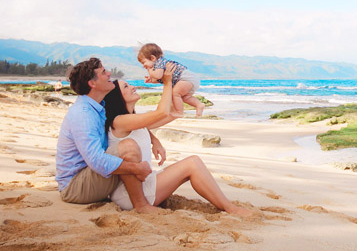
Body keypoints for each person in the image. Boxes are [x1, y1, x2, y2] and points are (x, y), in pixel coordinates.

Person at [103, 76, 254, 217]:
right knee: (192, 163)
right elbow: (161, 113)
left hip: (144, 183)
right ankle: (230, 208)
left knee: (193, 163)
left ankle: (226, 206)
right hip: (130, 195)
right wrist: (168, 82)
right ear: (117, 97)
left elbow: (174, 113)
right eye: (126, 87)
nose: (133, 87)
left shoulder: (134, 121)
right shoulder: (119, 121)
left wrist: (154, 139)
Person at [56, 57, 173, 214]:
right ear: (92, 83)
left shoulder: (99, 105)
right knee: (128, 147)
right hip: (75, 187)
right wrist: (136, 168)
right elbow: (96, 160)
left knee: (126, 148)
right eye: (104, 72)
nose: (109, 73)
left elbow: (131, 121)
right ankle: (142, 206)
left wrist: (154, 139)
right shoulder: (82, 114)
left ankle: (140, 200)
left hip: (91, 176)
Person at [137, 42, 206, 117]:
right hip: (190, 79)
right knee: (185, 97)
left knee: (175, 94)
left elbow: (158, 75)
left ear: (152, 58)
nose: (144, 66)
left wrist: (149, 70)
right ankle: (199, 105)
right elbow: (162, 78)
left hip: (186, 78)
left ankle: (179, 112)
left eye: (144, 62)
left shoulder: (159, 62)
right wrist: (151, 80)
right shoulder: (158, 65)